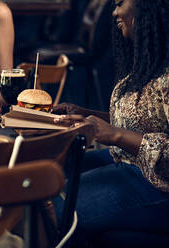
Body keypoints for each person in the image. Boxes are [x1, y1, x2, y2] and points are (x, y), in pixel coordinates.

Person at [53, 0, 169, 246]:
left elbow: (125, 134)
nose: (114, 12)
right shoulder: (151, 62)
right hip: (127, 162)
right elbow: (143, 122)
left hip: (156, 183)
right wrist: (86, 115)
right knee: (50, 173)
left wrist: (115, 135)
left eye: (119, 4)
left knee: (55, 206)